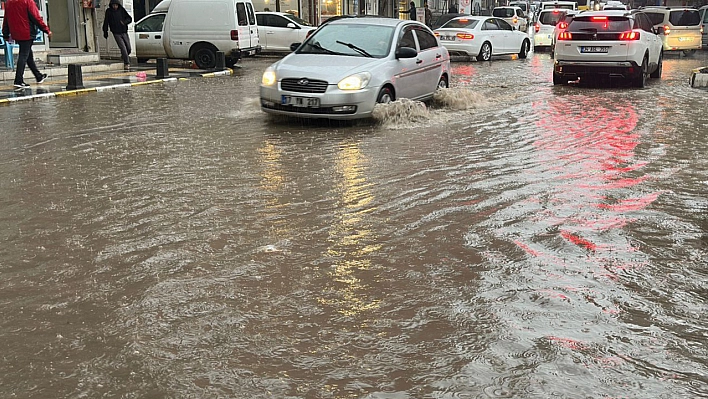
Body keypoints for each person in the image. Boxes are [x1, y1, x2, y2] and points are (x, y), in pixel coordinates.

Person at [1, 0, 52, 90]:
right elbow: (36, 18)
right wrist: (46, 30)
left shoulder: (9, 2)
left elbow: (6, 18)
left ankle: (38, 76)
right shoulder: (28, 1)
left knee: (28, 55)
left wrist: (5, 33)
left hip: (16, 33)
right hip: (27, 32)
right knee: (24, 55)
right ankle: (18, 80)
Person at [103, 0, 133, 70]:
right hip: (116, 32)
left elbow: (129, 18)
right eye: (113, 5)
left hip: (124, 31)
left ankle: (123, 56)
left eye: (116, 5)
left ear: (118, 5)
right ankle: (126, 63)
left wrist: (124, 22)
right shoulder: (109, 11)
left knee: (128, 48)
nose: (115, 7)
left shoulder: (121, 10)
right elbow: (106, 22)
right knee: (123, 48)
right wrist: (105, 31)